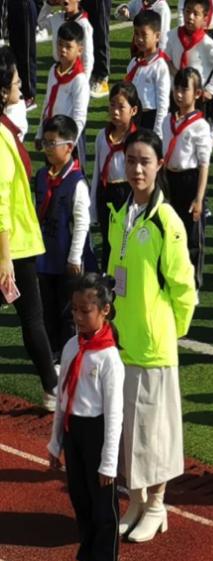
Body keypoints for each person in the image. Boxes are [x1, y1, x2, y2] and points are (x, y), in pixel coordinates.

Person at [107, 129, 197, 543]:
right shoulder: (119, 213)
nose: (137, 169)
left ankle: (158, 504)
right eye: (131, 161)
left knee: (154, 431)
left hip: (154, 345)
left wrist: (169, 331)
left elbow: (184, 286)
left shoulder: (167, 220)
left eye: (145, 161)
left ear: (160, 165)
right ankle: (136, 501)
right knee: (129, 430)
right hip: (122, 341)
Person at [46, 273, 124, 561]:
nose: (78, 317)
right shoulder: (71, 347)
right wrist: (56, 442)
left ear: (104, 310)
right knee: (80, 499)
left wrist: (109, 463)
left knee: (103, 507)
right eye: (74, 310)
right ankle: (87, 552)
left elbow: (115, 414)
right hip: (73, 430)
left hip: (97, 433)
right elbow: (62, 399)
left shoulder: (109, 359)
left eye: (85, 310)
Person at [0, 47, 57, 410]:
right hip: (13, 245)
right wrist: (5, 257)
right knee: (33, 319)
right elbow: (1, 202)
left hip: (14, 243)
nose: (21, 87)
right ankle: (52, 388)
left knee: (33, 318)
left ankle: (52, 387)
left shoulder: (6, 127)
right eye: (16, 82)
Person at [36, 116, 96, 357]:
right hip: (45, 255)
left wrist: (74, 257)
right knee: (47, 308)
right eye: (46, 143)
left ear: (69, 147)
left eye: (53, 143)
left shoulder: (76, 181)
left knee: (68, 310)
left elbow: (82, 222)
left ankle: (67, 354)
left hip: (66, 258)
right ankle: (51, 351)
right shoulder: (42, 175)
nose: (48, 148)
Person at [161, 68, 212, 291]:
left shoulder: (200, 126)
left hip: (190, 181)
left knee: (192, 237)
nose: (179, 94)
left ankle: (193, 285)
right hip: (169, 180)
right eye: (176, 88)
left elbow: (204, 164)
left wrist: (199, 198)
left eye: (185, 89)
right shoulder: (167, 120)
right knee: (169, 231)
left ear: (198, 93)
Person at [166, 0, 213, 144]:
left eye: (196, 14)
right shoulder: (173, 35)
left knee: (195, 135)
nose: (190, 17)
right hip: (174, 94)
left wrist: (210, 89)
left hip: (196, 99)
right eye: (188, 12)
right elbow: (165, 56)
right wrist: (174, 72)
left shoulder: (206, 43)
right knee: (173, 130)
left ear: (205, 18)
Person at [93, 82, 141, 270]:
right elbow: (97, 172)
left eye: (121, 107)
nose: (115, 111)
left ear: (133, 110)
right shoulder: (102, 136)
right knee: (108, 241)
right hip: (106, 192)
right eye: (112, 105)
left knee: (126, 242)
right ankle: (107, 278)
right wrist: (93, 206)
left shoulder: (137, 139)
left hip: (127, 193)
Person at [37, 21, 90, 167]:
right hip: (51, 136)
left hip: (68, 140)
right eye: (60, 44)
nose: (63, 50)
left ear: (79, 50)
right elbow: (47, 103)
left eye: (68, 46)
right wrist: (40, 133)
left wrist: (69, 144)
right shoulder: (53, 71)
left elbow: (80, 116)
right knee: (51, 172)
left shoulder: (79, 79)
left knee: (69, 176)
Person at [124, 10, 171, 133]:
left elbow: (163, 103)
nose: (139, 39)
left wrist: (158, 132)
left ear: (157, 36)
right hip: (134, 116)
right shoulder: (134, 63)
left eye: (144, 35)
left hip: (150, 118)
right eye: (136, 33)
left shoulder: (160, 66)